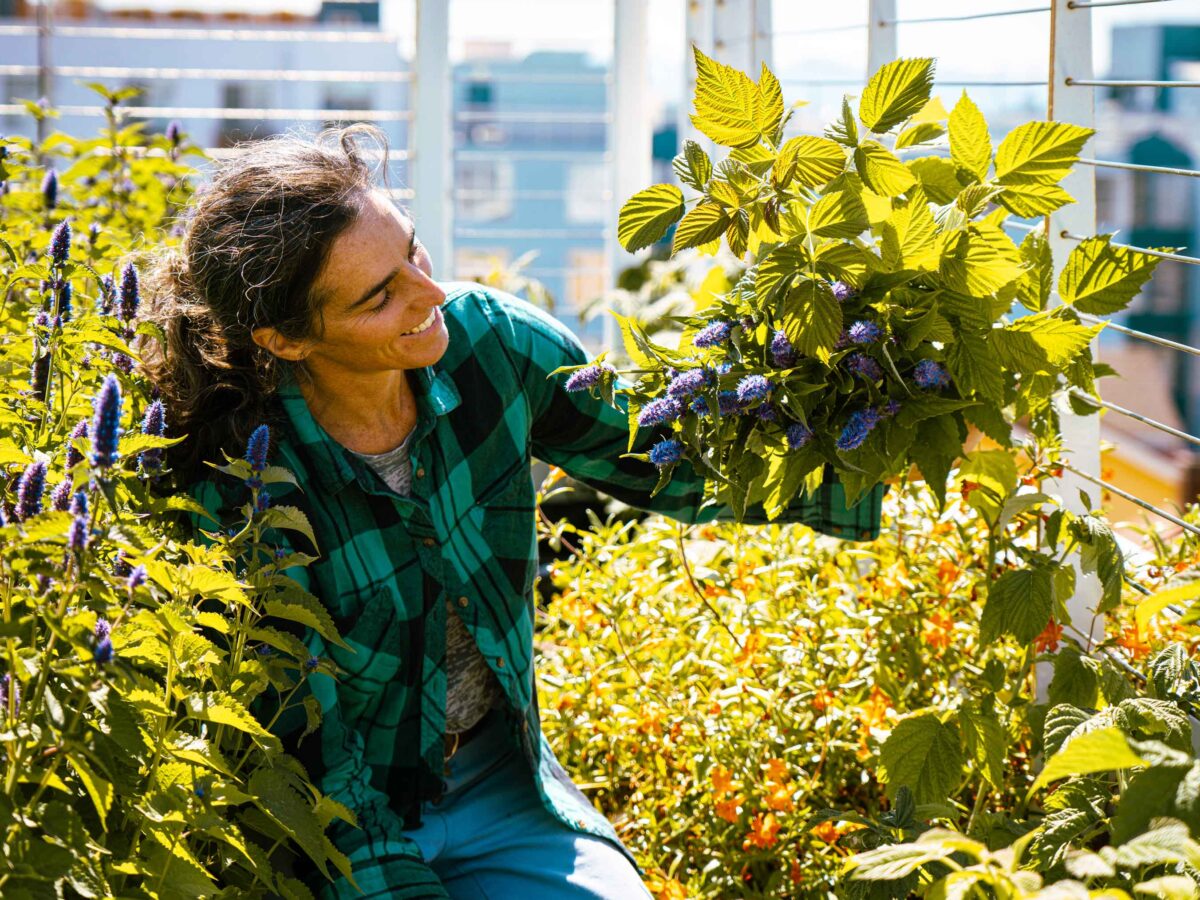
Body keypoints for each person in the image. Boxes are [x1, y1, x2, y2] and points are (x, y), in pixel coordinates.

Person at [139, 125, 882, 899]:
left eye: (412, 253)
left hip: (502, 782)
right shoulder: (246, 488)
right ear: (286, 339)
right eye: (378, 295)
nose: (430, 296)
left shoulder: (490, 344)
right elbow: (313, 763)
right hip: (338, 830)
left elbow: (669, 455)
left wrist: (888, 442)